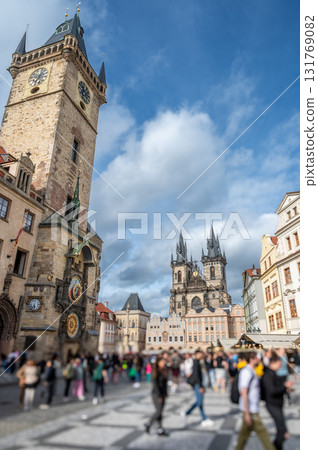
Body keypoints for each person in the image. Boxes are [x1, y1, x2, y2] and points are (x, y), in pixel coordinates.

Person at [236, 351, 275, 450]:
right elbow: (243, 392)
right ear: (252, 359)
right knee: (264, 435)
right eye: (257, 358)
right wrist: (247, 413)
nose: (259, 360)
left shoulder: (251, 370)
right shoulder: (246, 372)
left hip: (251, 409)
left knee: (243, 437)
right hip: (251, 410)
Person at [261, 352, 294, 450]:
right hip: (272, 405)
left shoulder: (273, 373)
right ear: (273, 363)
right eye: (279, 364)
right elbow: (271, 391)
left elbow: (278, 387)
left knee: (283, 431)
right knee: (282, 432)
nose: (280, 366)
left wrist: (286, 388)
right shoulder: (267, 375)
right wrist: (284, 386)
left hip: (277, 405)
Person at [183, 350, 214, 427]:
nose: (202, 355)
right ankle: (187, 413)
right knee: (199, 402)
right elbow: (197, 376)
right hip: (198, 384)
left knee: (199, 402)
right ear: (197, 354)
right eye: (200, 354)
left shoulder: (198, 361)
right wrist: (200, 386)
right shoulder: (196, 362)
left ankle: (203, 418)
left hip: (199, 384)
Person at [144, 356, 169, 436]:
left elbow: (165, 384)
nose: (163, 363)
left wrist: (165, 393)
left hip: (162, 394)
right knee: (158, 411)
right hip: (156, 394)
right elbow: (155, 385)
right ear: (158, 363)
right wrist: (159, 396)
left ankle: (160, 429)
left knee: (160, 412)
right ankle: (149, 423)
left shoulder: (164, 371)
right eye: (162, 362)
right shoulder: (155, 371)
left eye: (164, 362)